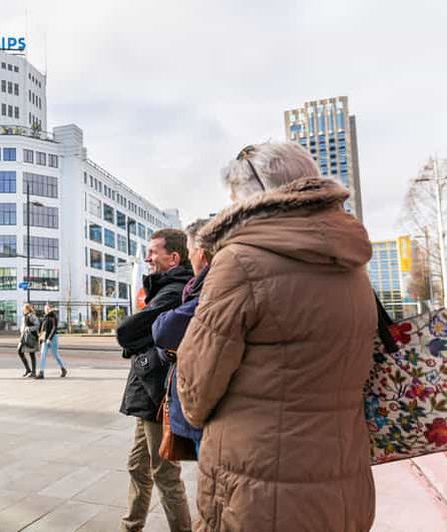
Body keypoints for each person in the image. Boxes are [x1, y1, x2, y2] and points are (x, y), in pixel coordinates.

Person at [177, 142, 376, 531]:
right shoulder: (352, 264)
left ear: (249, 195)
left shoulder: (239, 261)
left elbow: (197, 387)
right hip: (342, 472)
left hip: (257, 482)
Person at [116, 228, 194, 532]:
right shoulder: (165, 287)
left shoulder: (173, 291)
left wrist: (133, 343)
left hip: (156, 392)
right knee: (138, 466)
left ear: (173, 257)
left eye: (153, 252)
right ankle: (131, 526)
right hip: (147, 392)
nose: (148, 258)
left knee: (164, 473)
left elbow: (128, 331)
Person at [151, 219, 211, 457]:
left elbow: (162, 331)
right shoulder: (195, 288)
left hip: (205, 411)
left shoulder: (210, 290)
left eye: (190, 251)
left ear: (201, 253)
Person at [35, 303, 67, 379]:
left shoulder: (54, 317)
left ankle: (63, 369)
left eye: (47, 308)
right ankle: (41, 373)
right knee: (43, 354)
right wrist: (39, 335)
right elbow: (41, 327)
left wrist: (49, 338)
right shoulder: (44, 317)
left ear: (51, 309)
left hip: (53, 338)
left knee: (55, 355)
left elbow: (54, 328)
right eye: (45, 309)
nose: (46, 310)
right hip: (45, 338)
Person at [17, 303, 40, 377]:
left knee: (32, 353)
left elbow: (37, 325)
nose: (22, 310)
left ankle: (33, 372)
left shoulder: (31, 316)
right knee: (19, 351)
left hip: (30, 337)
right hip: (24, 337)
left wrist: (29, 329)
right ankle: (28, 369)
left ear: (27, 309)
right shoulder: (24, 316)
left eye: (23, 309)